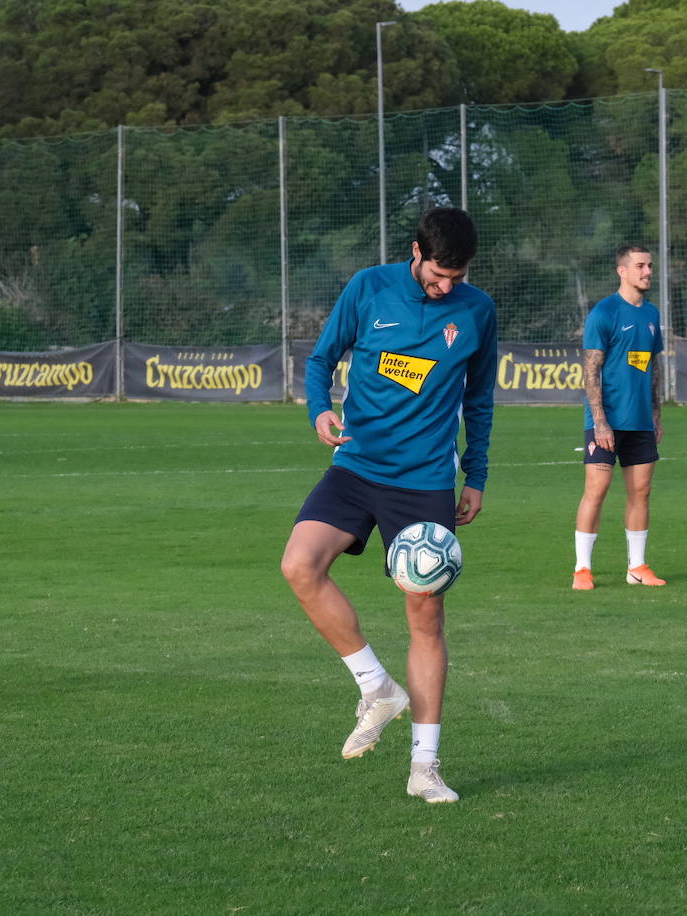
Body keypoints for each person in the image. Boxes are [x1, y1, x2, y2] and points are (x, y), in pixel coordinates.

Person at [281, 208, 497, 804]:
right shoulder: (368, 288)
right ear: (415, 251)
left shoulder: (477, 311)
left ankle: (424, 765)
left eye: (457, 275)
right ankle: (376, 686)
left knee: (425, 618)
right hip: (356, 465)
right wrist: (320, 410)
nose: (446, 285)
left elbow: (479, 400)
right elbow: (321, 360)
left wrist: (474, 474)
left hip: (426, 480)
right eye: (438, 273)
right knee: (300, 565)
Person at [572, 244, 666, 590]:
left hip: (640, 420)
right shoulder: (605, 312)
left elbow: (652, 365)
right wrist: (599, 421)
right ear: (622, 271)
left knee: (641, 491)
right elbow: (591, 369)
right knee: (596, 489)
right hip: (606, 421)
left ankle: (637, 567)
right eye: (640, 266)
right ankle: (582, 569)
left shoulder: (652, 314)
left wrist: (656, 412)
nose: (648, 272)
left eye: (650, 266)